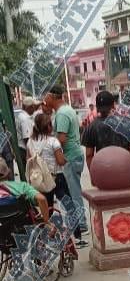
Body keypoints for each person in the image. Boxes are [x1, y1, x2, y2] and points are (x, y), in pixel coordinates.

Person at [26, 113, 88, 248]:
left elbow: (28, 160)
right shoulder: (53, 141)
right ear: (48, 126)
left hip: (41, 180)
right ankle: (77, 238)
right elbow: (60, 161)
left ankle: (45, 237)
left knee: (46, 209)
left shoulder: (30, 142)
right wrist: (66, 158)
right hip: (57, 178)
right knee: (69, 206)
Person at [44, 85, 88, 234]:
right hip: (75, 155)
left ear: (53, 96)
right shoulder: (66, 110)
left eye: (46, 96)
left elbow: (61, 139)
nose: (44, 99)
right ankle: (79, 222)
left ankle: (81, 224)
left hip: (69, 157)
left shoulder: (62, 114)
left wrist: (48, 146)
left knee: (73, 192)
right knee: (74, 190)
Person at [81, 91, 130, 180]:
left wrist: (93, 176)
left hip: (103, 172)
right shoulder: (126, 123)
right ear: (113, 105)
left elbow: (89, 155)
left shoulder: (91, 127)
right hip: (125, 170)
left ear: (97, 107)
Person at [0, 156, 49, 223]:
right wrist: (47, 222)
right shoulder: (22, 186)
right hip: (24, 226)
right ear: (8, 173)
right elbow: (42, 199)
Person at [15, 97, 38, 169]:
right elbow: (27, 139)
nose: (34, 109)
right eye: (33, 107)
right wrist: (32, 154)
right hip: (25, 150)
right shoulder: (25, 119)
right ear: (29, 107)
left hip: (23, 149)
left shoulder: (22, 116)